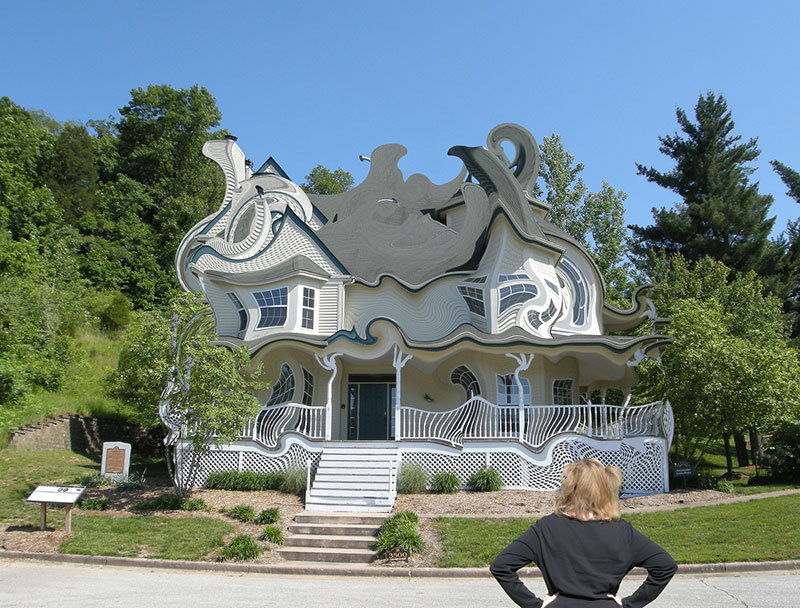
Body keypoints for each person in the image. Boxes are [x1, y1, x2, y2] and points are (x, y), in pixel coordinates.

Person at [490, 458, 677, 607]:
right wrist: (629, 604)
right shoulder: (623, 531)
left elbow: (501, 566)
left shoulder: (546, 528)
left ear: (569, 489)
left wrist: (534, 605)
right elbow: (665, 566)